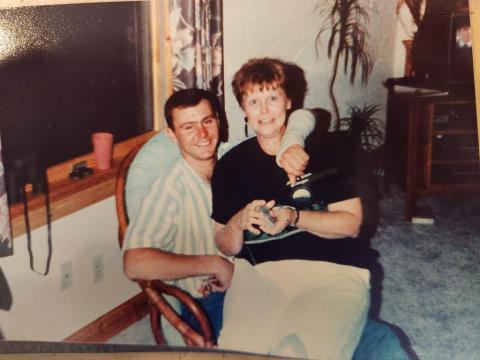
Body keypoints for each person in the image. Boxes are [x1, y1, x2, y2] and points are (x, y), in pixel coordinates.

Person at [211, 58, 408, 359]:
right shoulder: (230, 166)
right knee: (238, 350)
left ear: (288, 102)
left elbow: (351, 224)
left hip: (332, 273)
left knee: (302, 350)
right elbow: (224, 245)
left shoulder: (327, 150)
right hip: (259, 277)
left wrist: (294, 217)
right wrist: (237, 223)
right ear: (244, 109)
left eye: (272, 98)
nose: (264, 110)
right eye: (254, 100)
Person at [122, 88, 315, 346]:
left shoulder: (235, 159)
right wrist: (215, 263)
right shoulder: (169, 190)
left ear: (218, 122)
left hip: (260, 276)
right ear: (172, 134)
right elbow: (134, 262)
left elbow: (305, 115)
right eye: (188, 127)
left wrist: (293, 138)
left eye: (207, 121)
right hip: (211, 300)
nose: (202, 134)